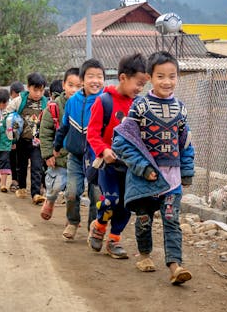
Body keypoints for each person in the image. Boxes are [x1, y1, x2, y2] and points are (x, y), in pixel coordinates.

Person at [113, 51, 195, 284]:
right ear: (150, 77)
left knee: (171, 219)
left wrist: (187, 171)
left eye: (172, 76)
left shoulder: (181, 109)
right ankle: (145, 255)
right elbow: (122, 142)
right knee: (144, 220)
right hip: (144, 179)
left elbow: (186, 143)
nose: (167, 82)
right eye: (161, 76)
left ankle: (175, 266)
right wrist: (142, 168)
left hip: (172, 179)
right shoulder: (139, 107)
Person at [86, 53, 148, 259]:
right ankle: (100, 225)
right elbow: (93, 133)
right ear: (123, 78)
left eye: (143, 84)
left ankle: (114, 239)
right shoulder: (104, 101)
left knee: (127, 204)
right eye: (137, 83)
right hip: (109, 164)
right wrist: (104, 150)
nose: (140, 89)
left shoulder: (140, 105)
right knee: (111, 200)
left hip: (131, 166)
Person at [53, 59, 105, 241]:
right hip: (75, 155)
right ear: (82, 80)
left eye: (100, 76)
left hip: (97, 157)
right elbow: (64, 126)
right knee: (72, 192)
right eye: (91, 76)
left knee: (96, 194)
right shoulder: (72, 101)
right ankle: (73, 222)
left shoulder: (105, 100)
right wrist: (57, 146)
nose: (95, 81)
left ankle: (94, 226)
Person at [39, 68, 81, 220]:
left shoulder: (88, 106)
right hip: (60, 157)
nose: (74, 90)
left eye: (79, 86)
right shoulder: (54, 107)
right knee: (56, 185)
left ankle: (71, 220)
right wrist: (48, 154)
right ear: (63, 85)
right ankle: (50, 200)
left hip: (78, 158)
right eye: (71, 85)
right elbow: (45, 133)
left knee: (73, 191)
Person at [6, 72, 48, 204]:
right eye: (35, 90)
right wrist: (13, 123)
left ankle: (35, 194)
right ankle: (22, 187)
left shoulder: (45, 103)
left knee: (37, 167)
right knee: (22, 166)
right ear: (28, 87)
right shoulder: (19, 101)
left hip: (37, 142)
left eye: (41, 91)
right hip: (22, 140)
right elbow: (7, 113)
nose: (38, 94)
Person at [8, 80, 25, 192]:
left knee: (17, 158)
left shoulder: (20, 101)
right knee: (15, 158)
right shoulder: (13, 103)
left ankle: (17, 180)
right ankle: (16, 180)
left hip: (20, 135)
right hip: (17, 135)